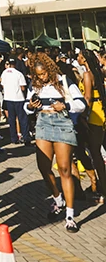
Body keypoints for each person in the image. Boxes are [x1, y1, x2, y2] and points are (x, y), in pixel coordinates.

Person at [26, 53, 86, 232]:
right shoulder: (34, 85)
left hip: (62, 122)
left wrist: (65, 106)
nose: (42, 77)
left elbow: (81, 104)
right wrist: (30, 106)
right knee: (43, 167)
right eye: (38, 75)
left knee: (64, 169)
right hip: (43, 123)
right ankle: (57, 198)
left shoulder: (64, 81)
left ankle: (70, 215)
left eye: (44, 73)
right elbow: (26, 106)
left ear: (50, 69)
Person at [77, 48, 106, 201]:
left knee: (95, 154)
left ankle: (103, 189)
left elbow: (87, 98)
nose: (77, 58)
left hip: (93, 115)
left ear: (84, 59)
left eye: (79, 56)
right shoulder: (98, 72)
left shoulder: (88, 75)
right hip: (101, 111)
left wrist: (82, 116)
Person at [0, 58, 30, 145]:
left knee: (11, 119)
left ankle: (14, 138)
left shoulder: (4, 73)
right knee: (22, 119)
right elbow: (23, 87)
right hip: (18, 98)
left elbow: (2, 84)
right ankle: (26, 138)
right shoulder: (19, 74)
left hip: (8, 98)